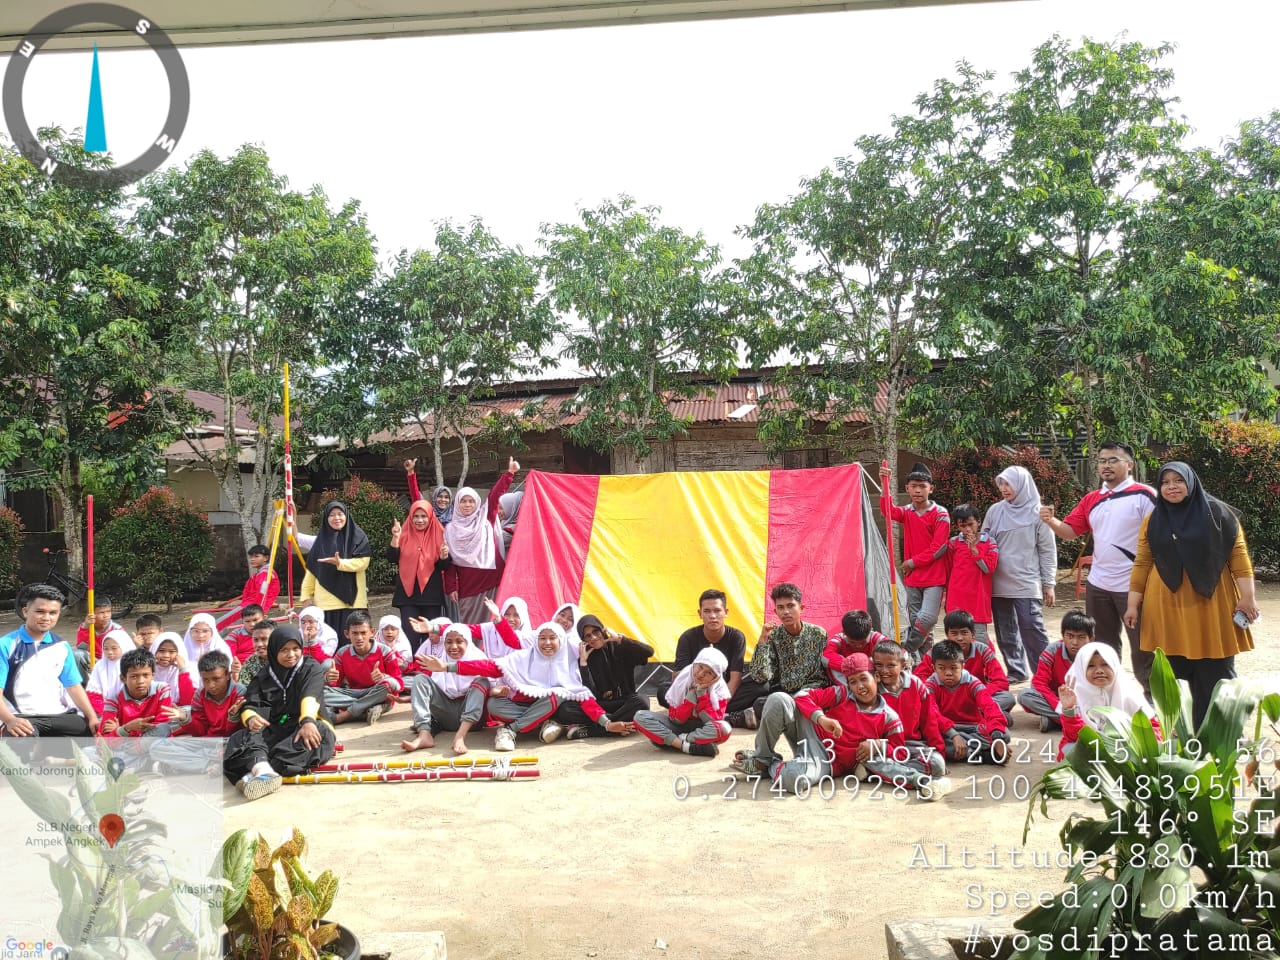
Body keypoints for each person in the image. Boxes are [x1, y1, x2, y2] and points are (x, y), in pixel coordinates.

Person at [1124, 461, 1258, 729]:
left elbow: (1239, 557)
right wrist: (1132, 604)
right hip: (1166, 606)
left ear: (1191, 482)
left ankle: (1220, 734)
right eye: (1165, 482)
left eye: (1178, 481)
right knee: (1174, 674)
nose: (1171, 487)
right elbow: (1142, 563)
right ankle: (1183, 735)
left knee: (1216, 671)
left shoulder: (1219, 514)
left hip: (1212, 604)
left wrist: (1247, 597)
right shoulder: (1154, 520)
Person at [732, 653, 947, 799]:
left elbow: (898, 752)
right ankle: (762, 759)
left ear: (876, 677)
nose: (859, 687)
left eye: (863, 679)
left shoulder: (889, 717)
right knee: (779, 699)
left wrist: (877, 745)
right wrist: (821, 718)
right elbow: (802, 696)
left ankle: (773, 765)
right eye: (853, 682)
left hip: (829, 762)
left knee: (795, 780)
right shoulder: (841, 694)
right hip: (810, 733)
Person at [1039, 442, 1156, 693]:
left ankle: (1153, 698)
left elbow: (1162, 537)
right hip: (1099, 584)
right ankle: (1109, 696)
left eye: (1113, 460)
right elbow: (1070, 532)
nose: (1106, 465)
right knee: (1102, 646)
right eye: (1102, 461)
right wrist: (1050, 520)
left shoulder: (1145, 495)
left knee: (1143, 646)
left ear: (1129, 464)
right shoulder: (1092, 499)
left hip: (1135, 586)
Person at [418, 621, 632, 751]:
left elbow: (584, 697)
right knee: (493, 704)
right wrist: (447, 667)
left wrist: (606, 724)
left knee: (558, 694)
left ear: (561, 641)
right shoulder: (523, 658)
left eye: (552, 638)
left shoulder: (568, 666)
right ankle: (542, 723)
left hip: (547, 705)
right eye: (542, 638)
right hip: (524, 709)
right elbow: (489, 667)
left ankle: (510, 731)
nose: (547, 643)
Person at [225, 624, 338, 801]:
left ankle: (257, 767)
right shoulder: (264, 675)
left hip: (307, 724)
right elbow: (251, 703)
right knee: (240, 737)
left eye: (295, 649)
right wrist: (252, 717)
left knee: (314, 735)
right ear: (274, 650)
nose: (291, 654)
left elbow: (310, 696)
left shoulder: (311, 668)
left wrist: (307, 721)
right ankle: (264, 771)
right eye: (284, 650)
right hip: (277, 728)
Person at [982, 465, 1057, 684]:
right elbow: (984, 539)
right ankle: (1016, 670)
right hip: (998, 582)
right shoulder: (995, 511)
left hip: (1027, 582)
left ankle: (1045, 675)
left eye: (1009, 484)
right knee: (1005, 630)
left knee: (1031, 628)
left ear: (1022, 485)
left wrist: (1049, 583)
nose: (1004, 489)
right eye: (1001, 484)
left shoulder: (1039, 513)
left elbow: (1047, 550)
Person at [0, 584, 99, 736]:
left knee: (91, 731)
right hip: (22, 716)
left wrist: (92, 717)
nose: (47, 618)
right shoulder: (6, 645)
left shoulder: (62, 646)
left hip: (58, 714)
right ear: (25, 611)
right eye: (40, 611)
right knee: (22, 737)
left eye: (53, 613)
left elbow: (73, 686)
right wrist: (9, 720)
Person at [881, 462, 951, 656]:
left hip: (934, 577)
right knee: (918, 624)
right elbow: (887, 511)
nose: (918, 490)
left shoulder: (941, 514)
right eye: (914, 486)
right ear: (907, 489)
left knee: (927, 619)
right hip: (913, 579)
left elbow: (938, 548)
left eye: (922, 486)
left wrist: (912, 562)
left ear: (931, 489)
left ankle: (904, 650)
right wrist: (885, 483)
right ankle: (924, 662)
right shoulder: (907, 512)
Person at [443, 458, 519, 623]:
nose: (467, 505)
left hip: (493, 581)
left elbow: (494, 496)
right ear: (457, 504)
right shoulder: (450, 530)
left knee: (496, 624)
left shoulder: (485, 519)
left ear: (477, 503)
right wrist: (451, 586)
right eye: (463, 501)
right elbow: (450, 562)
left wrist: (509, 474)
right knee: (471, 627)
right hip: (469, 587)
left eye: (471, 501)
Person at [1057, 641, 1158, 760]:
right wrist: (1070, 709)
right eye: (1091, 666)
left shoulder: (1129, 692)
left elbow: (1153, 728)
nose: (1099, 670)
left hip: (1125, 750)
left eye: (1105, 664)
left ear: (1114, 666)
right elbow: (1073, 737)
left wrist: (1151, 751)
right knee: (1069, 750)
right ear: (1081, 669)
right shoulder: (1075, 694)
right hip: (1089, 749)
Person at [149, 650, 244, 774]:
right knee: (156, 747)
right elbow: (199, 731)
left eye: (216, 679)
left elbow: (236, 732)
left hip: (229, 742)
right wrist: (185, 718)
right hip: (207, 742)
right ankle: (208, 765)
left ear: (228, 675)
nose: (211, 685)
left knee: (236, 751)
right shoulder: (200, 694)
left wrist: (233, 717)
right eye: (206, 680)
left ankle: (187, 765)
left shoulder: (240, 693)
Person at [401, 622, 488, 755]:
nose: (453, 647)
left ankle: (460, 737)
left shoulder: (479, 659)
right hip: (445, 717)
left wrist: (494, 690)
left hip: (473, 722)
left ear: (468, 643)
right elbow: (431, 690)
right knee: (420, 679)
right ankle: (424, 734)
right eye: (448, 642)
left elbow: (492, 684)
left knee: (482, 681)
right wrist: (410, 697)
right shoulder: (440, 661)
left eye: (459, 641)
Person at [389, 467, 452, 650]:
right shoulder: (403, 533)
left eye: (423, 516)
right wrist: (395, 539)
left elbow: (443, 567)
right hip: (408, 595)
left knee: (429, 638)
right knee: (409, 636)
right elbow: (392, 558)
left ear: (430, 517)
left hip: (431, 595)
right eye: (416, 516)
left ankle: (427, 664)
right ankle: (410, 664)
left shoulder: (440, 533)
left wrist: (444, 557)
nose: (419, 520)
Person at [744, 582, 828, 718]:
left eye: (790, 606)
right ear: (775, 611)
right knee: (760, 704)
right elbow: (760, 676)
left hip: (813, 693)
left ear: (801, 608)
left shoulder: (819, 634)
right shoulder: (773, 636)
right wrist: (763, 639)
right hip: (785, 695)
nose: (786, 612)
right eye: (780, 607)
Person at [633, 647, 732, 757]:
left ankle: (675, 742)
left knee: (724, 728)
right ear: (694, 664)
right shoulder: (682, 682)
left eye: (709, 672)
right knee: (640, 716)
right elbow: (676, 720)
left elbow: (711, 721)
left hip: (702, 731)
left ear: (716, 678)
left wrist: (701, 693)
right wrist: (691, 697)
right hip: (678, 728)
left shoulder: (720, 691)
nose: (701, 674)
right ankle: (687, 747)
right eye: (700, 667)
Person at [914, 611, 1013, 719]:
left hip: (976, 697)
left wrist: (978, 694)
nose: (960, 638)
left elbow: (1001, 682)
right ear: (947, 635)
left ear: (973, 634)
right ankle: (981, 716)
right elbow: (919, 678)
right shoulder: (936, 652)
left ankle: (960, 715)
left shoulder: (982, 650)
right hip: (945, 698)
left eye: (964, 632)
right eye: (954, 633)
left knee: (1008, 698)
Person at [925, 640, 1010, 765]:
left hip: (973, 727)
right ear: (934, 668)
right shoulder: (930, 685)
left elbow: (989, 707)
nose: (948, 673)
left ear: (962, 666)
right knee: (929, 739)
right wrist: (954, 735)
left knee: (1004, 735)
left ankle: (968, 750)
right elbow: (932, 713)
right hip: (945, 729)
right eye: (941, 668)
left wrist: (997, 737)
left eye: (953, 668)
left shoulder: (972, 682)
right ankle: (983, 755)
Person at [568, 614, 652, 738]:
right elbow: (589, 694)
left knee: (642, 701)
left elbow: (649, 652)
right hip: (601, 707)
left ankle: (594, 730)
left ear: (602, 630)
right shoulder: (584, 658)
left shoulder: (619, 647)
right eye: (588, 636)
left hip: (624, 702)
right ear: (583, 640)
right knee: (567, 709)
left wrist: (621, 639)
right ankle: (616, 725)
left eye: (596, 632)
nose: (593, 637)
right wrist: (583, 664)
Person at [298, 501, 372, 640]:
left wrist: (340, 563)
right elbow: (312, 571)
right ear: (326, 518)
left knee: (353, 644)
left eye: (340, 514)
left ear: (346, 515)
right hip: (325, 604)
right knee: (328, 644)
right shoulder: (320, 542)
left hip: (353, 603)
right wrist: (306, 596)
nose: (336, 518)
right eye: (331, 515)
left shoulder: (358, 537)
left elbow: (363, 562)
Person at [872, 640, 947, 777]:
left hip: (913, 746)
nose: (884, 671)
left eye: (891, 665)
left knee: (937, 762)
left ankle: (891, 771)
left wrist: (939, 751)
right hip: (886, 747)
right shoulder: (872, 689)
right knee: (872, 758)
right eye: (878, 665)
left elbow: (929, 721)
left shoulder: (916, 684)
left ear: (903, 665)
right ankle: (907, 774)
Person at [1017, 609, 1094, 732]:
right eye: (1070, 636)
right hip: (1055, 698)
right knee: (1025, 696)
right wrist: (1060, 706)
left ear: (1091, 639)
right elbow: (1039, 683)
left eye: (1081, 637)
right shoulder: (1052, 651)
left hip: (1083, 701)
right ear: (1062, 635)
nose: (1074, 642)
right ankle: (1073, 721)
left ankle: (1055, 721)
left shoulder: (1096, 655)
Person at [324, 611, 403, 725]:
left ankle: (344, 716)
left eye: (363, 633)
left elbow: (399, 685)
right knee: (321, 691)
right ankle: (367, 708)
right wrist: (328, 678)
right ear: (347, 634)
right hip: (354, 693)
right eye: (355, 633)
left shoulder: (385, 651)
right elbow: (334, 684)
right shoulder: (342, 653)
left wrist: (383, 677)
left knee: (386, 688)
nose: (359, 638)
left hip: (377, 691)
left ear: (372, 632)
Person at [945, 504, 999, 644]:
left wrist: (974, 550)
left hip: (978, 599)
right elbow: (947, 570)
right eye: (963, 526)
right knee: (956, 639)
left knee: (979, 639)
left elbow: (989, 569)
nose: (967, 529)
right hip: (956, 598)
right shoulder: (953, 543)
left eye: (970, 524)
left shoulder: (990, 542)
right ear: (957, 526)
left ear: (979, 522)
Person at [100, 648, 172, 737]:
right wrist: (126, 728)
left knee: (164, 728)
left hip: (151, 740)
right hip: (128, 743)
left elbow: (162, 725)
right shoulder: (113, 701)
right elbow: (103, 738)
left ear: (152, 675)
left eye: (146, 675)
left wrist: (122, 729)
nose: (141, 681)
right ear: (123, 678)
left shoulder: (162, 690)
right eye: (134, 676)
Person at [216, 544, 281, 631]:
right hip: (250, 605)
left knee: (220, 625)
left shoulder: (265, 574)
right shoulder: (261, 573)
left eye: (256, 556)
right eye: (251, 557)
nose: (252, 559)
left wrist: (256, 610)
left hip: (251, 606)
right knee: (234, 627)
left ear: (265, 558)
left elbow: (262, 593)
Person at [821, 609, 893, 686]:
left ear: (870, 631)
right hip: (848, 676)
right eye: (852, 642)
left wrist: (866, 664)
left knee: (889, 658)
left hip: (871, 674)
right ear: (844, 633)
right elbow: (825, 657)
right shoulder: (839, 639)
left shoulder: (876, 637)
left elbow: (895, 651)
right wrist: (852, 666)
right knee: (831, 664)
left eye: (863, 642)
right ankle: (849, 689)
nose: (858, 646)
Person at [85, 628, 135, 715]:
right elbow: (93, 693)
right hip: (104, 709)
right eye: (106, 649)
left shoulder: (133, 665)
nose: (110, 652)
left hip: (129, 708)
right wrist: (105, 712)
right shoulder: (100, 666)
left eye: (114, 648)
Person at [466, 597, 534, 657]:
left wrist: (498, 618)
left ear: (523, 617)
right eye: (507, 614)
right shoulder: (491, 629)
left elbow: (511, 638)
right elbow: (465, 629)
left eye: (516, 615)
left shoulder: (528, 639)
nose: (511, 619)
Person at [73, 596, 120, 676]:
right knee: (77, 654)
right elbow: (81, 647)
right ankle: (84, 682)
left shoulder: (117, 629)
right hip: (92, 660)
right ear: (92, 614)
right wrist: (86, 628)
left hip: (110, 661)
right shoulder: (85, 627)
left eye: (108, 612)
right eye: (101, 612)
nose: (106, 615)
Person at [150, 631, 197, 707]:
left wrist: (182, 670)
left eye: (172, 652)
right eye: (161, 651)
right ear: (154, 650)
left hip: (180, 711)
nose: (166, 655)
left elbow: (187, 702)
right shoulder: (148, 669)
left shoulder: (190, 669)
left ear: (179, 653)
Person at [236, 620, 274, 688]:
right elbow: (243, 686)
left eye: (264, 639)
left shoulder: (285, 659)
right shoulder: (251, 661)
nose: (259, 644)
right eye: (255, 640)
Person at [497, 490, 524, 561]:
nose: (498, 511)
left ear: (512, 509)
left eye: (501, 508)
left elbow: (492, 539)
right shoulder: (506, 521)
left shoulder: (513, 530)